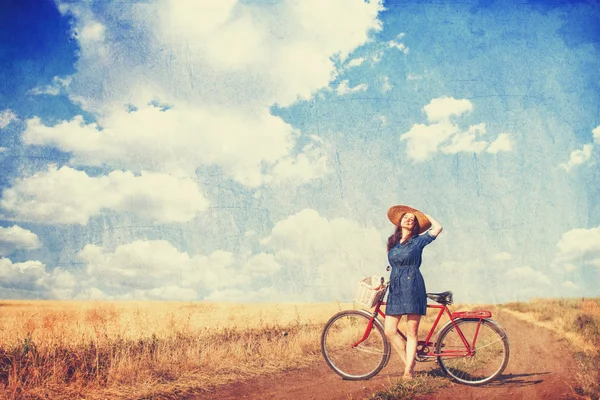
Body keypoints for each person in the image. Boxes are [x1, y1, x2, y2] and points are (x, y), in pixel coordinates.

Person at [384, 205, 443, 380]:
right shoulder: (392, 242)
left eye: (413, 219)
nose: (409, 219)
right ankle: (409, 363)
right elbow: (394, 265)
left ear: (415, 224)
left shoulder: (418, 241)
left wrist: (425, 215)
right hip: (395, 287)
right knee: (389, 330)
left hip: (413, 285)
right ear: (399, 222)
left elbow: (438, 228)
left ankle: (408, 370)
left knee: (412, 332)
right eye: (406, 217)